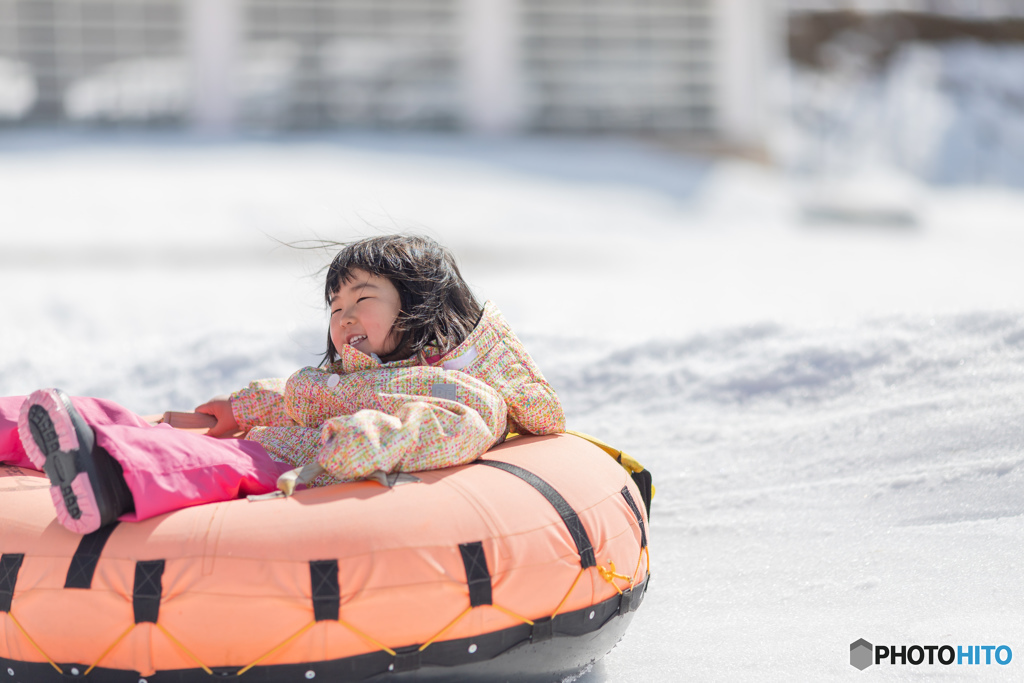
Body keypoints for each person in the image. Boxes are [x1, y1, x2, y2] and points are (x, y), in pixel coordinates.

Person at [5, 234, 565, 535]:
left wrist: (357, 440)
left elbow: (436, 434)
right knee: (135, 421)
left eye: (362, 299)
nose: (343, 316)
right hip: (268, 438)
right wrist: (239, 405)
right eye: (335, 305)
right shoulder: (352, 376)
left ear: (418, 309)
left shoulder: (462, 394)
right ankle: (24, 426)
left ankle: (103, 476)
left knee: (207, 463)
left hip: (296, 463)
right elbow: (295, 394)